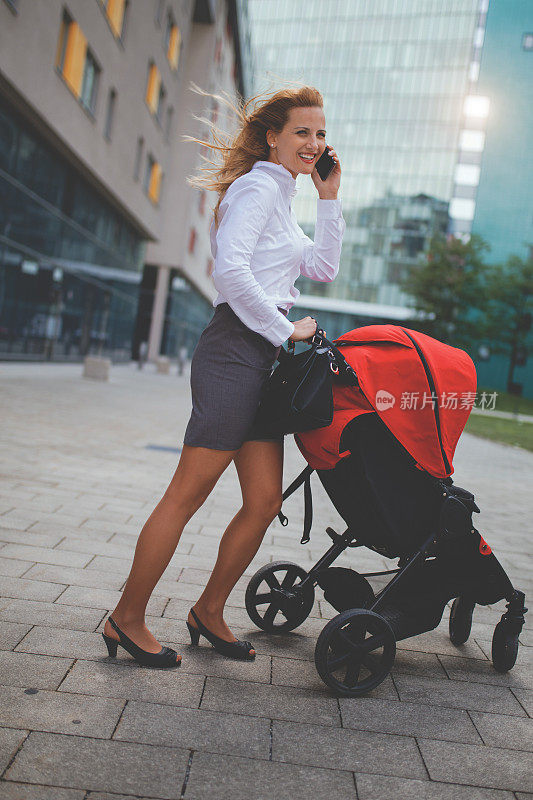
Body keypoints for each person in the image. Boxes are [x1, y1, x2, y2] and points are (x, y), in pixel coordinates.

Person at [101, 84, 345, 667]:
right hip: (236, 351)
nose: (314, 143)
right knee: (188, 494)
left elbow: (323, 267)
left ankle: (209, 610)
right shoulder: (257, 186)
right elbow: (230, 272)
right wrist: (284, 330)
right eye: (301, 132)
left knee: (262, 501)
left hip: (264, 362)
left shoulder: (283, 196)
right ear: (272, 136)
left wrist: (330, 198)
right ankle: (126, 618)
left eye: (320, 133)